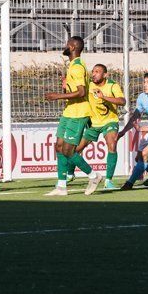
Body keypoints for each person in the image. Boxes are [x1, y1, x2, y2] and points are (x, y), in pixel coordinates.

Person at [43, 36, 103, 197]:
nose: (64, 46)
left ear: (72, 47)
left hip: (79, 113)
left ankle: (94, 175)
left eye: (66, 44)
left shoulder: (77, 67)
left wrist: (57, 96)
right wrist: (65, 88)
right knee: (59, 146)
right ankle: (61, 186)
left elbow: (81, 92)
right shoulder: (75, 65)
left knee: (69, 150)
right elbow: (74, 92)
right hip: (69, 111)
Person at [72, 64, 126, 190]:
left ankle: (108, 181)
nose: (94, 74)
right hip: (93, 123)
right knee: (75, 149)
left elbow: (122, 101)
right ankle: (70, 173)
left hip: (110, 122)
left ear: (105, 75)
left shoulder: (112, 85)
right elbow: (77, 92)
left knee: (112, 144)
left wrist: (104, 97)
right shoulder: (89, 85)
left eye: (97, 71)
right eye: (93, 71)